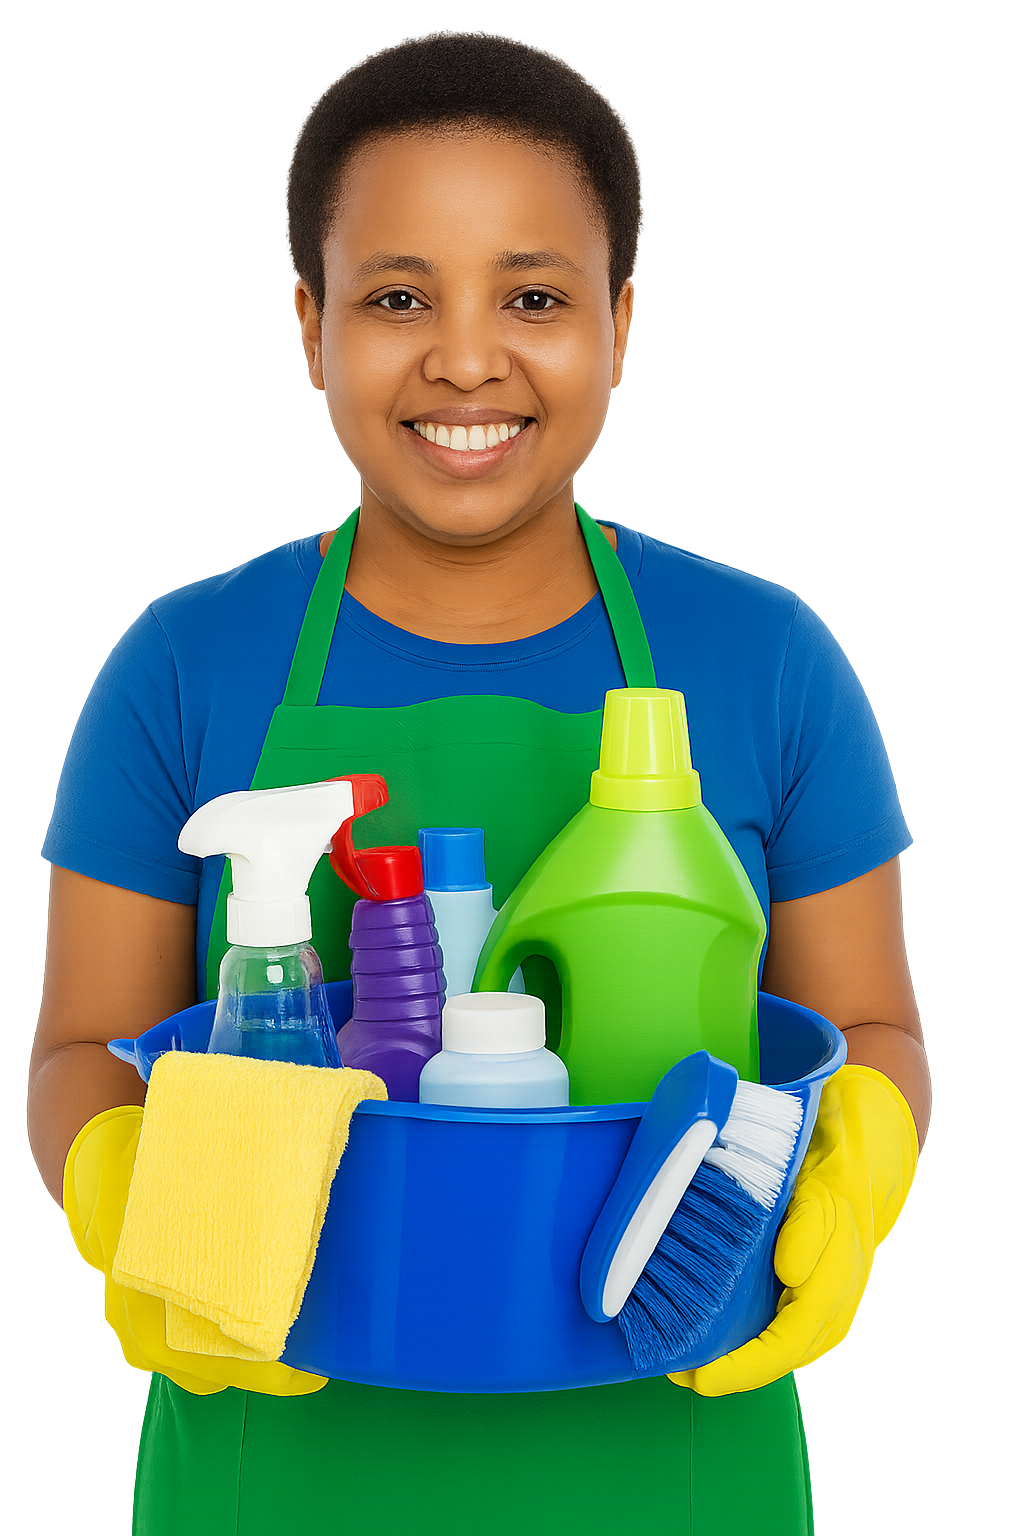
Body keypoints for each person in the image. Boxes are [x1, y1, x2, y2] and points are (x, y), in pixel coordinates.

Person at [28, 35, 929, 1536]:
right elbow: (78, 1046)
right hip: (275, 1463)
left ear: (623, 325)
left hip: (676, 1461)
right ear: (307, 326)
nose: (464, 358)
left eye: (533, 295)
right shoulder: (185, 664)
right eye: (396, 297)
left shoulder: (768, 660)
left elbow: (874, 1022)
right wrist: (115, 1177)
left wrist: (861, 1164)